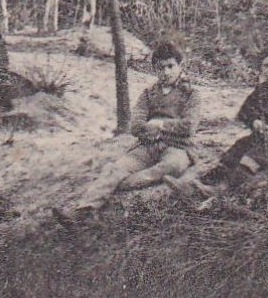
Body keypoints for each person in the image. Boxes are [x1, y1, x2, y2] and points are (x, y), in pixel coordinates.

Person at [168, 47, 268, 199]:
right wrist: (255, 121)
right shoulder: (262, 89)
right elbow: (246, 109)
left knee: (253, 156)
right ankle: (198, 185)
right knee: (237, 148)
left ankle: (224, 190)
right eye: (266, 65)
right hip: (263, 135)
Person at [77, 41, 201, 206]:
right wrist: (150, 129)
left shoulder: (191, 94)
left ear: (180, 66)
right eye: (160, 67)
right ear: (155, 69)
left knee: (174, 165)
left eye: (171, 66)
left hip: (177, 147)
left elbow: (189, 126)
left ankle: (123, 184)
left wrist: (160, 125)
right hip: (147, 146)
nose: (166, 72)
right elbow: (135, 125)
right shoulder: (149, 94)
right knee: (116, 168)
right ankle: (84, 210)